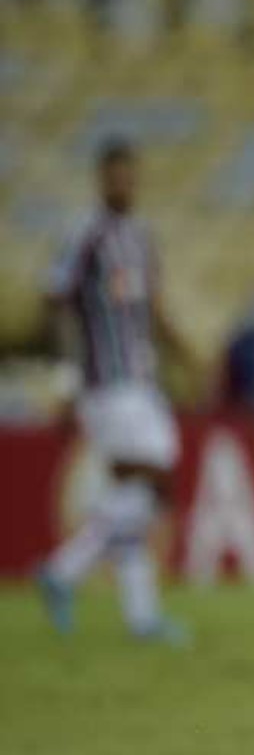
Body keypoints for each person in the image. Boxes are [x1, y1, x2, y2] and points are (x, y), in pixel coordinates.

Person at [36, 139, 198, 642]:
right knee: (155, 474)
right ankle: (65, 571)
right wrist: (65, 377)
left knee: (137, 494)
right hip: (106, 384)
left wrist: (186, 355)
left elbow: (153, 309)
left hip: (142, 382)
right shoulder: (86, 235)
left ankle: (137, 614)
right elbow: (54, 300)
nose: (123, 184)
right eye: (115, 176)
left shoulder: (141, 238)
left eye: (129, 176)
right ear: (101, 179)